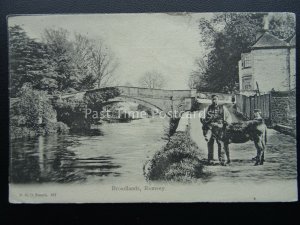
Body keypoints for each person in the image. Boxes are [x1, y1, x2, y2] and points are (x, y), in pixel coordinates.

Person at [204, 94, 232, 164]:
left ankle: (222, 160)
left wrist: (226, 123)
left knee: (220, 143)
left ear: (218, 100)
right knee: (210, 143)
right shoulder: (208, 108)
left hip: (220, 129)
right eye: (213, 99)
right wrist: (206, 124)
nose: (214, 101)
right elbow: (203, 117)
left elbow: (228, 116)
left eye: (215, 99)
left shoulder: (223, 108)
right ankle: (210, 159)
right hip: (211, 128)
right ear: (211, 100)